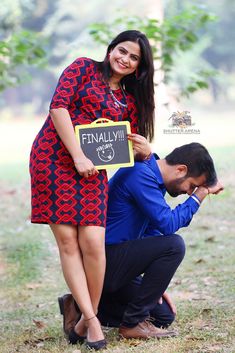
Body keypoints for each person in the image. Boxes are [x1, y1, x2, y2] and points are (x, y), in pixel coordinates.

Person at [29, 30, 155, 350]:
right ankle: (93, 321)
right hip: (54, 160)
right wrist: (77, 155)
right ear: (110, 48)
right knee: (69, 242)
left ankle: (86, 316)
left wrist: (145, 149)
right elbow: (58, 108)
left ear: (139, 66)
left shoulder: (129, 100)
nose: (124, 59)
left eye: (133, 57)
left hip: (90, 173)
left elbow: (127, 147)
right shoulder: (82, 68)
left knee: (94, 244)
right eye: (121, 51)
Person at [58, 142, 223, 343]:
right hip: (102, 259)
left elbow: (153, 232)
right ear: (181, 170)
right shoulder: (140, 174)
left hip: (118, 264)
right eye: (192, 185)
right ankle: (131, 324)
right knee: (174, 245)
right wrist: (200, 195)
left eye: (194, 189)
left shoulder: (153, 179)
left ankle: (76, 304)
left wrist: (154, 286)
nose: (190, 192)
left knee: (163, 316)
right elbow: (169, 224)